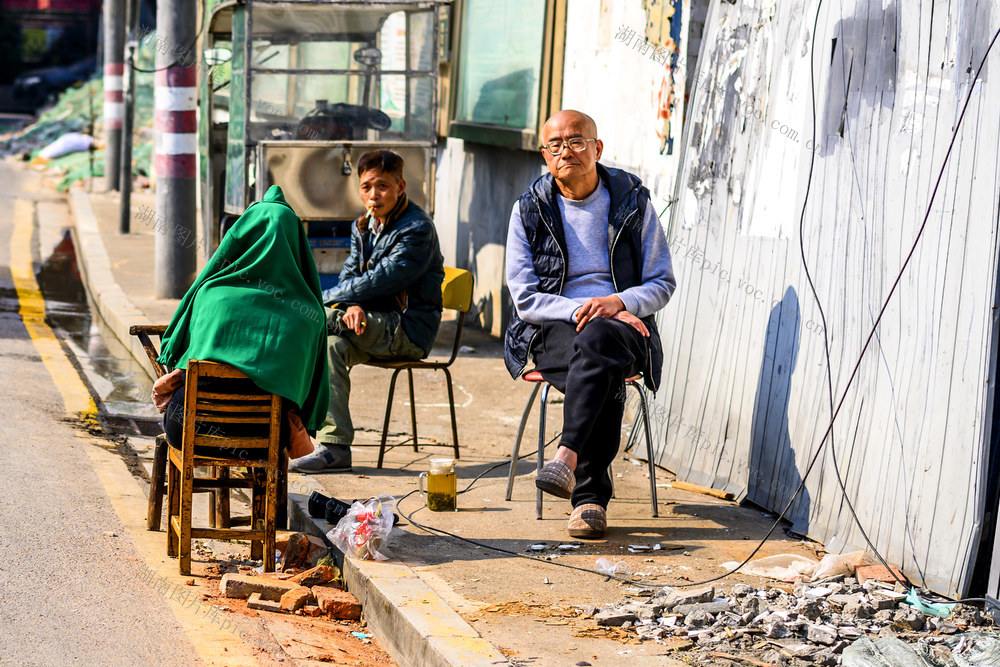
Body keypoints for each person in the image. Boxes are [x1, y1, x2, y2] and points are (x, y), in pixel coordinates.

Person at [504, 110, 676, 539]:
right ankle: (590, 499)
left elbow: (662, 281)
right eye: (555, 145)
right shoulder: (529, 210)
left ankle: (567, 456)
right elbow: (524, 298)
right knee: (599, 359)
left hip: (624, 324)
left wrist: (617, 302)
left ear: (597, 149)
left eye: (577, 141)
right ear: (545, 155)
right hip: (553, 327)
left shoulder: (632, 202)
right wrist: (583, 309)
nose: (567, 151)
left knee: (600, 342)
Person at [290, 150, 445, 472]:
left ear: (401, 186)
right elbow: (352, 277)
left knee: (309, 316)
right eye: (367, 187)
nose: (374, 195)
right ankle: (336, 447)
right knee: (330, 346)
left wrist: (321, 300)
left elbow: (383, 279)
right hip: (369, 324)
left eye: (383, 186)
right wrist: (350, 304)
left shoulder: (417, 229)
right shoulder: (364, 224)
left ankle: (286, 428)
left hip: (407, 331)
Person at [156, 185, 331, 453]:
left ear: (240, 238)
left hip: (190, 430)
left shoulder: (211, 295)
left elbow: (186, 361)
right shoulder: (309, 315)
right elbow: (310, 390)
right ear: (296, 244)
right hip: (265, 440)